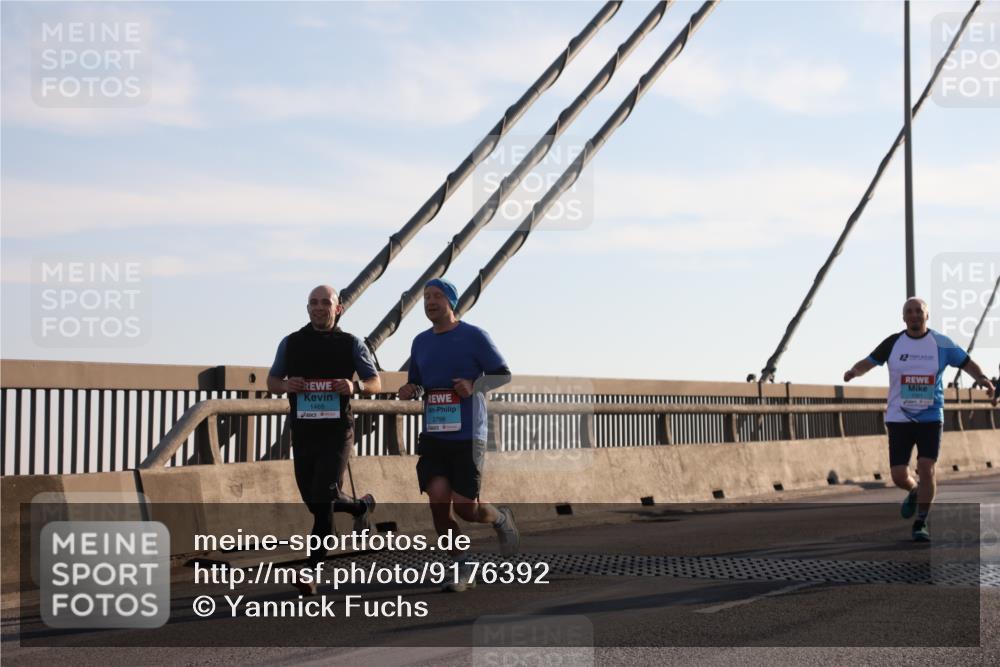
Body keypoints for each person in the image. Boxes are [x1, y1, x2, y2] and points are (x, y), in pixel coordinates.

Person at [397, 278, 519, 592]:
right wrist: (411, 389)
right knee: (438, 501)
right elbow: (420, 383)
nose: (431, 302)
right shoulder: (420, 342)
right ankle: (463, 566)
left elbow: (502, 374)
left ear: (452, 302)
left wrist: (474, 386)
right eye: (426, 297)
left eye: (437, 296)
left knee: (466, 507)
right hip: (435, 434)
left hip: (468, 434)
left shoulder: (474, 336)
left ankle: (500, 518)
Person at [843, 297, 996, 542]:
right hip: (898, 417)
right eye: (909, 312)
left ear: (927, 316)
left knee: (927, 467)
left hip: (931, 416)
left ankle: (921, 522)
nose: (914, 315)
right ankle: (914, 491)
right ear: (903, 318)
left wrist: (984, 380)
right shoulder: (894, 343)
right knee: (898, 475)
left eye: (918, 311)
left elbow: (967, 363)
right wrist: (854, 371)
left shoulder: (941, 344)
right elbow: (869, 362)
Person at [268, 285, 382, 577]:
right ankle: (360, 507)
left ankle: (311, 572)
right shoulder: (291, 343)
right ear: (308, 308)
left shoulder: (352, 344)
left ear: (337, 309)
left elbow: (375, 383)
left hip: (338, 432)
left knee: (323, 495)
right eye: (313, 303)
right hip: (304, 433)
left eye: (325, 303)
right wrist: (285, 386)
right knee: (315, 500)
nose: (319, 307)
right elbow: (272, 380)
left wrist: (354, 386)